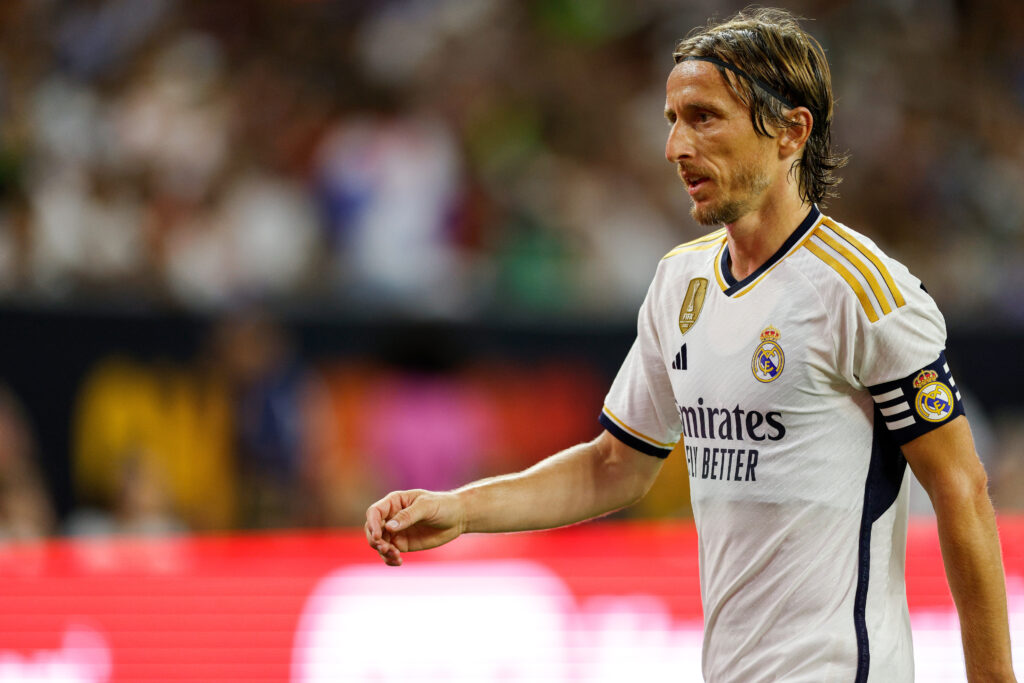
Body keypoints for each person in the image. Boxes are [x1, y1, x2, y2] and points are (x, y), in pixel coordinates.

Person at [364, 8, 1015, 682]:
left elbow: (961, 490)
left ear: (792, 131)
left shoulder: (865, 292)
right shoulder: (681, 282)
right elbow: (613, 466)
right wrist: (462, 507)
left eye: (704, 117)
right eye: (672, 119)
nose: (676, 147)